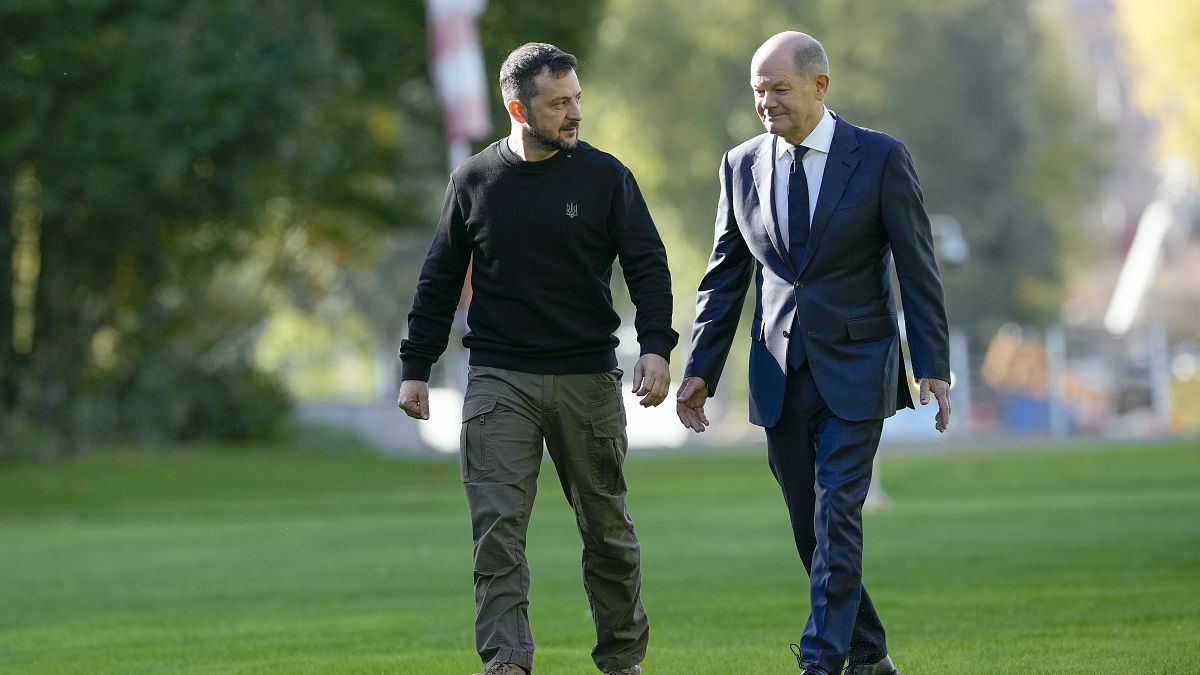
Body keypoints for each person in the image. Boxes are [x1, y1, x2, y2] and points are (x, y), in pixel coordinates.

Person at [675, 32, 951, 675]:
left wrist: (930, 363)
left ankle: (822, 661)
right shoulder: (740, 165)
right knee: (809, 526)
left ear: (820, 86)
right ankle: (869, 650)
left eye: (779, 88)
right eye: (758, 90)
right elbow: (723, 278)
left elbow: (918, 269)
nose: (766, 101)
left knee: (836, 515)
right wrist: (699, 372)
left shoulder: (880, 159)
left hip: (858, 367)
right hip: (778, 375)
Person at [397, 42, 676, 675]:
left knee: (607, 532)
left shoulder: (606, 177)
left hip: (588, 379)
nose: (574, 113)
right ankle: (507, 663)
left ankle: (622, 660)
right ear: (517, 107)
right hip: (500, 379)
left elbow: (648, 265)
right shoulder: (473, 181)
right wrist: (416, 365)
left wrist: (657, 348)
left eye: (577, 99)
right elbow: (439, 278)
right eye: (559, 104)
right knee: (497, 532)